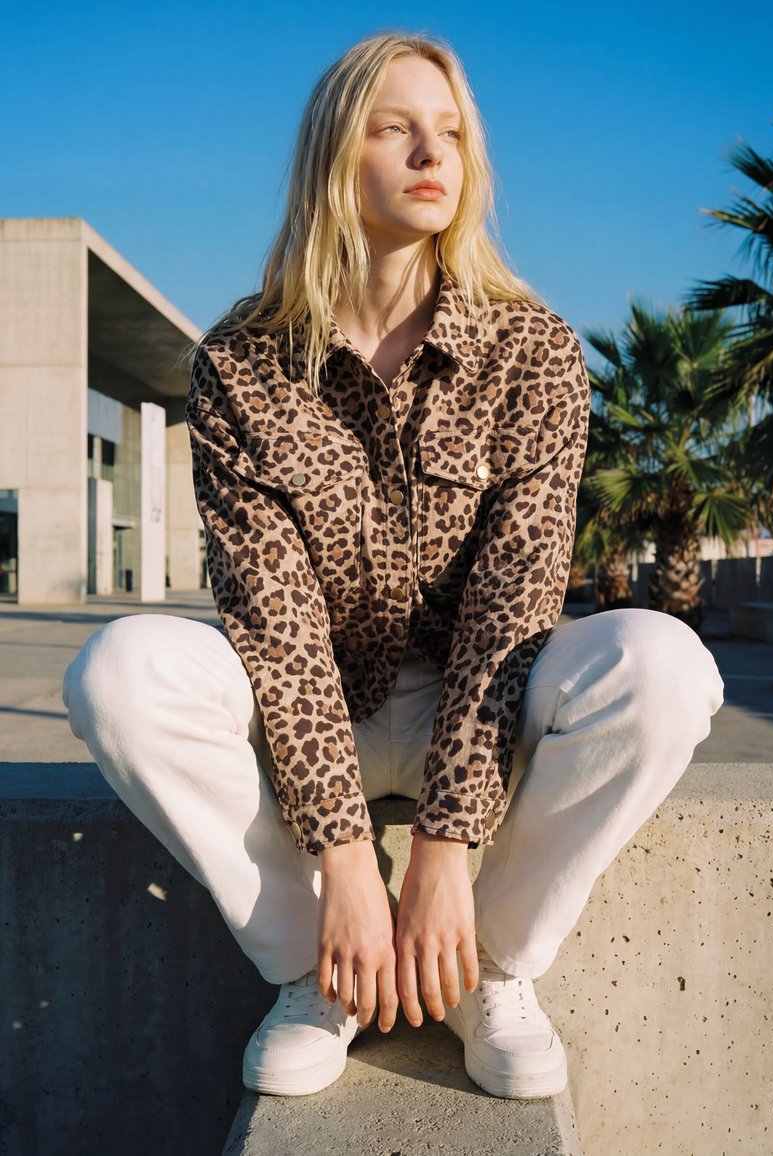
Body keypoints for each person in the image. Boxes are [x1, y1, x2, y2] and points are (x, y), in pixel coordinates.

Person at [63, 32, 724, 1101]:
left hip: (475, 705)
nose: (433, 153)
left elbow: (512, 612)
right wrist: (341, 864)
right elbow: (271, 625)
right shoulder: (239, 361)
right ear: (336, 153)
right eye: (395, 128)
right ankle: (316, 973)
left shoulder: (533, 349)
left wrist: (443, 854)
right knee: (116, 673)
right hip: (304, 707)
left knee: (664, 666)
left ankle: (485, 970)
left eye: (451, 133)